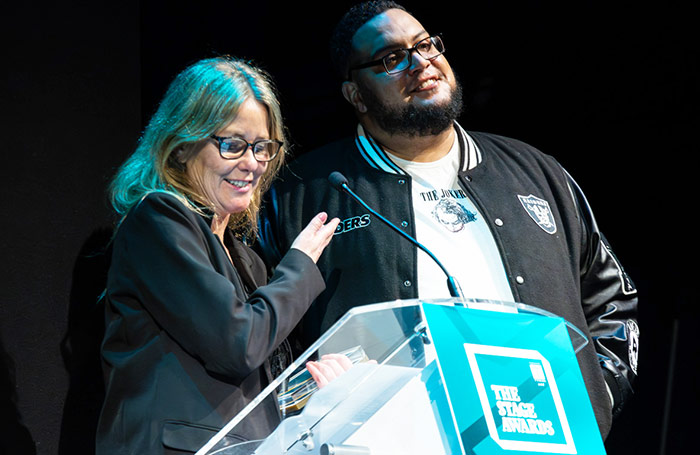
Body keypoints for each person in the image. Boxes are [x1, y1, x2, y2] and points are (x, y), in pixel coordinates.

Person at [257, 0, 639, 441]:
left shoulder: (537, 172)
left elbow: (612, 300)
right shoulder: (303, 192)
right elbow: (263, 328)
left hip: (547, 436)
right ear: (355, 94)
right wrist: (305, 400)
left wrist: (597, 396)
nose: (421, 63)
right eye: (393, 58)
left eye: (426, 45)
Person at [96, 56, 340, 455]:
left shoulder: (247, 260)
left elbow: (264, 390)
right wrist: (300, 264)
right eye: (232, 145)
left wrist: (320, 388)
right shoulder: (158, 219)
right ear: (181, 147)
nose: (252, 164)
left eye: (262, 147)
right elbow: (239, 343)